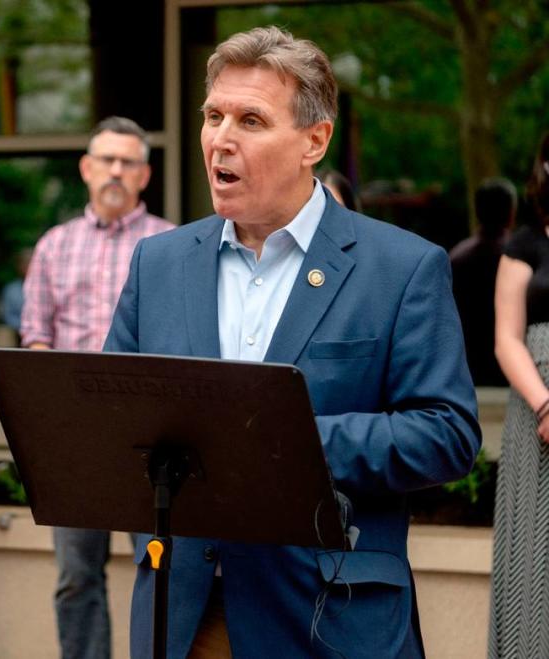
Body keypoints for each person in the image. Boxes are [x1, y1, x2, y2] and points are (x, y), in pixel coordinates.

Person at [103, 27, 480, 658]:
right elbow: (113, 425)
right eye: (214, 116)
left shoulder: (402, 266)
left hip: (330, 616)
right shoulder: (158, 263)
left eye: (251, 120)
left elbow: (447, 434)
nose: (222, 137)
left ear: (315, 140)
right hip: (189, 617)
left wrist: (290, 439)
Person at [20, 115, 173, 659]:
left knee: (159, 572)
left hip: (150, 443)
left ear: (144, 175)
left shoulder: (172, 245)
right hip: (75, 442)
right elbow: (36, 339)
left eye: (127, 162)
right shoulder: (54, 247)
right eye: (105, 160)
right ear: (86, 169)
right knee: (76, 578)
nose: (115, 171)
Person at [488, 131, 549, 657]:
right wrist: (545, 404)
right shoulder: (526, 242)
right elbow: (507, 337)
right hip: (539, 420)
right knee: (536, 557)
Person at [450, 177, 517, 386]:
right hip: (513, 368)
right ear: (511, 212)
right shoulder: (521, 259)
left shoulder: (457, 257)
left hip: (467, 366)